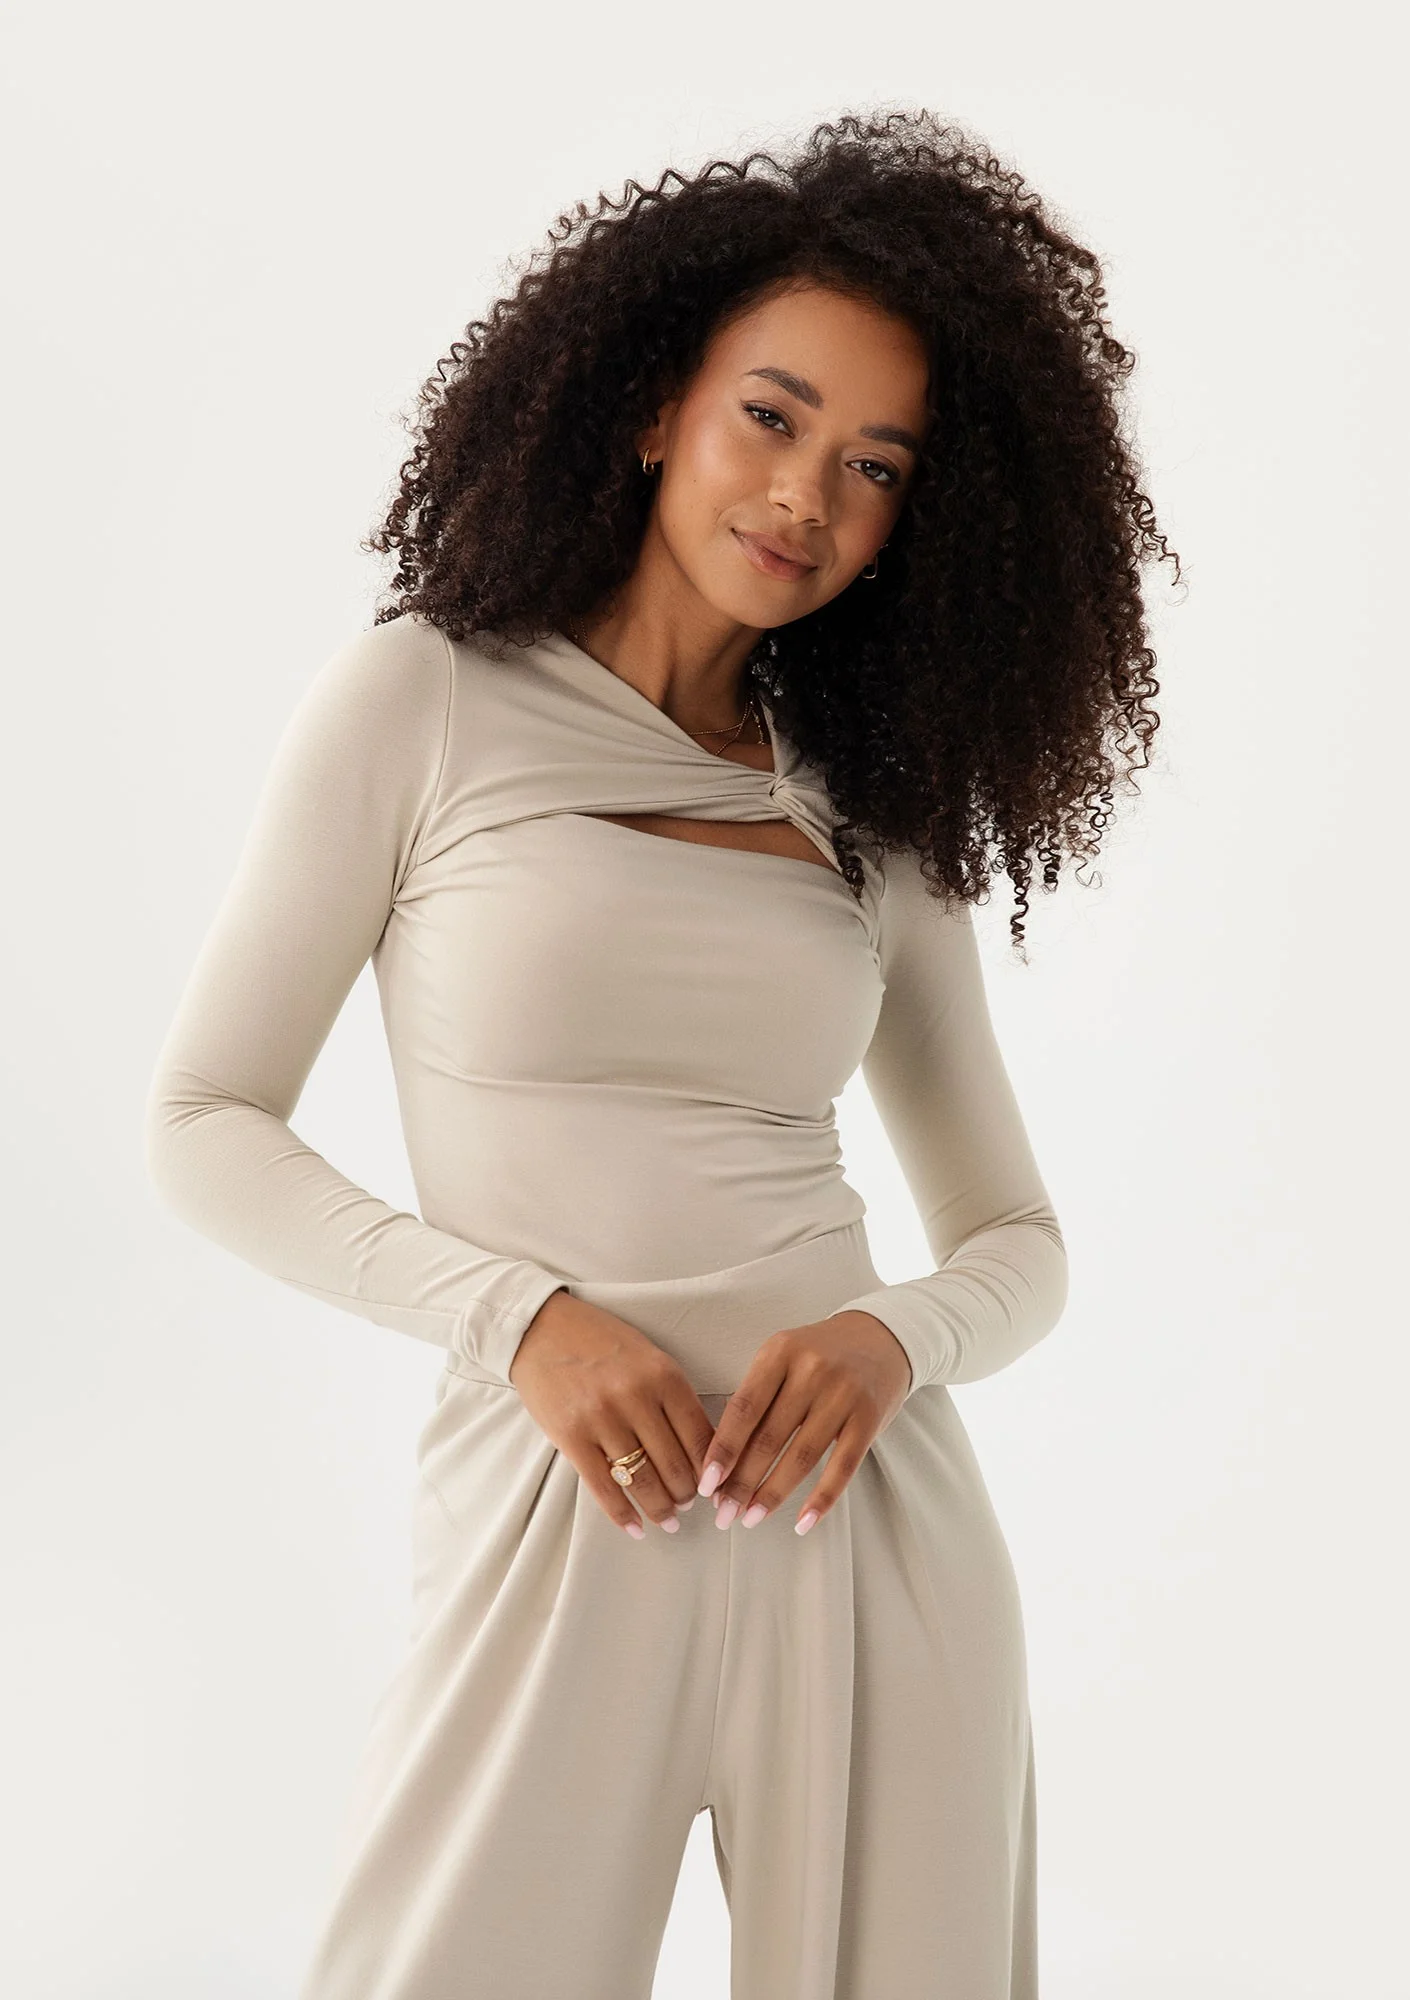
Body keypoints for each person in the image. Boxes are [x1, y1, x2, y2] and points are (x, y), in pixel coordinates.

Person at [144, 109, 1176, 2000]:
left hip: (867, 1527)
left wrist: (890, 1342)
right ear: (648, 408)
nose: (803, 497)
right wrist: (520, 1320)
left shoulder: (866, 815)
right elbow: (203, 1122)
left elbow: (1017, 1240)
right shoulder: (425, 700)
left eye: (872, 466)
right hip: (555, 1515)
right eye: (769, 417)